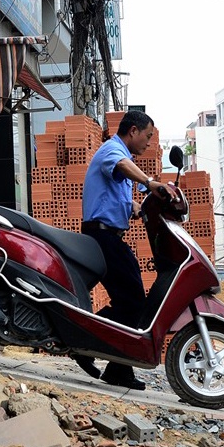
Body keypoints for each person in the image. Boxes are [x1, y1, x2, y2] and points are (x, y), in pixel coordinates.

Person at [78, 110, 177, 390]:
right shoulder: (114, 151)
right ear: (132, 131)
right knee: (134, 300)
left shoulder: (123, 158)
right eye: (147, 136)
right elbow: (120, 165)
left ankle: (117, 367)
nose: (148, 143)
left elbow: (113, 191)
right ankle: (85, 340)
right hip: (102, 237)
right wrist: (149, 183)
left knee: (130, 301)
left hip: (108, 235)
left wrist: (134, 206)